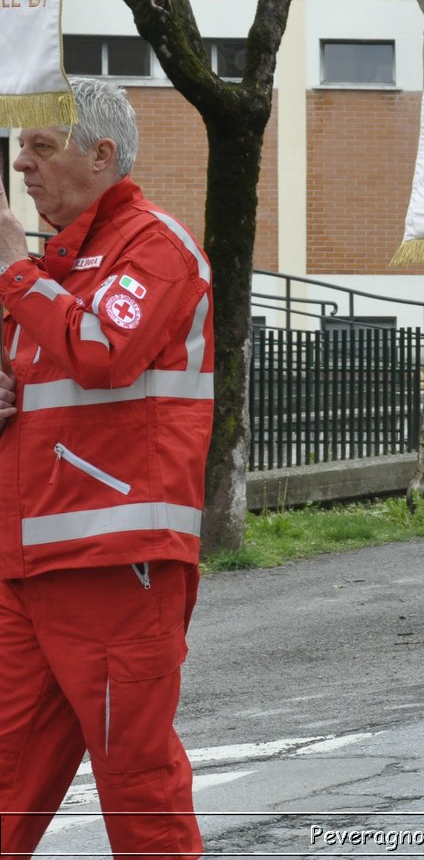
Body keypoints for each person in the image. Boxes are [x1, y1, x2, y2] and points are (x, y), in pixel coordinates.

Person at [0, 78, 214, 859]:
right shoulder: (45, 265)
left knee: (136, 784)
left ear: (102, 154)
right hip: (25, 566)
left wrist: (16, 274)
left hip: (115, 566)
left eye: (40, 146)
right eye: (19, 146)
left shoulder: (154, 244)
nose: (21, 164)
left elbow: (102, 351)